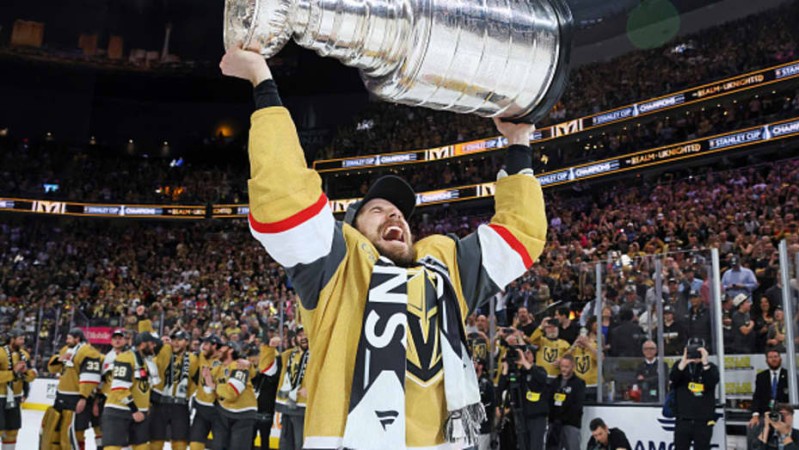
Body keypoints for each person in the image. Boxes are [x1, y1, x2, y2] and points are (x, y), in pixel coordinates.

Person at [220, 43, 547, 448]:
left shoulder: (444, 265)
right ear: (352, 227)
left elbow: (520, 234)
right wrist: (262, 81)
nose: (394, 216)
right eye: (377, 210)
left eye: (399, 214)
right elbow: (284, 198)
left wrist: (519, 143)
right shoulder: (335, 263)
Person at [41, 328, 103, 450]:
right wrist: (59, 359)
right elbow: (52, 369)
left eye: (69, 338)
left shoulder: (88, 352)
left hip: (76, 398)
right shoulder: (66, 349)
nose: (66, 340)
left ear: (77, 339)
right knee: (59, 431)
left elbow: (90, 377)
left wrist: (83, 397)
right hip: (61, 397)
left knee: (76, 433)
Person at [102, 331, 159, 450]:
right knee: (113, 447)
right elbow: (119, 388)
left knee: (143, 447)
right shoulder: (125, 358)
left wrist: (146, 406)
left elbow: (146, 387)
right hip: (118, 411)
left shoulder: (148, 361)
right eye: (151, 343)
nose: (154, 346)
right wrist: (134, 410)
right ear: (143, 344)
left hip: (140, 413)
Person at [206, 340, 257, 450]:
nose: (219, 350)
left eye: (223, 347)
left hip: (243, 414)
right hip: (224, 412)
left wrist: (213, 385)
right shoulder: (219, 368)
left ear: (231, 350)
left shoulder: (239, 366)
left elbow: (232, 393)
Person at [670, 338, 720, 450]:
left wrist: (705, 363)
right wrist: (683, 362)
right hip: (683, 419)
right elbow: (673, 379)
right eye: (692, 350)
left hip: (703, 420)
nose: (695, 354)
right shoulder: (680, 366)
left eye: (698, 350)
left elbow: (712, 382)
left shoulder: (711, 367)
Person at [498, 345, 549, 450]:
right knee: (522, 446)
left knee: (535, 447)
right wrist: (505, 368)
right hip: (520, 416)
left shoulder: (539, 370)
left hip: (536, 417)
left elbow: (542, 379)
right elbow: (500, 388)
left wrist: (524, 362)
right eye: (523, 353)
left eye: (528, 353)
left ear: (533, 356)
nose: (525, 355)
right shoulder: (517, 373)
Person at [0, 329, 37, 450]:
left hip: (15, 398)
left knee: (12, 431)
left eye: (23, 339)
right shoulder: (0, 353)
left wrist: (26, 373)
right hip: (0, 397)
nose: (23, 341)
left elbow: (30, 377)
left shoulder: (24, 355)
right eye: (20, 339)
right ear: (12, 339)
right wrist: (13, 373)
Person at [275, 328, 309, 450]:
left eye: (306, 334)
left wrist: (311, 390)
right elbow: (268, 369)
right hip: (287, 406)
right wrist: (269, 348)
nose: (303, 337)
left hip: (304, 408)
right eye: (300, 335)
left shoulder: (318, 355)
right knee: (285, 445)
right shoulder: (288, 354)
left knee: (301, 444)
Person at [748, 350, 789, 449]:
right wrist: (755, 415)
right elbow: (757, 397)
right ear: (766, 360)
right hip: (766, 413)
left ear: (780, 359)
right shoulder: (761, 376)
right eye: (770, 357)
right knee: (753, 426)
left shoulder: (789, 375)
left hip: (785, 413)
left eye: (775, 356)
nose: (773, 359)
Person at [96, 328, 128, 450]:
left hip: (125, 399)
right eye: (115, 338)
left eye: (120, 338)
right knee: (105, 431)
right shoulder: (106, 358)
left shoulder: (131, 356)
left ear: (125, 340)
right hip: (107, 399)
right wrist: (96, 400)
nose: (117, 341)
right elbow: (101, 380)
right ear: (111, 341)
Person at [189, 335, 223, 450]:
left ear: (214, 346)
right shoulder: (201, 356)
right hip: (201, 408)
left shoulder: (224, 361)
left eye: (207, 344)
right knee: (195, 444)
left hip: (219, 410)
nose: (203, 347)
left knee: (219, 446)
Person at [547, 355, 585, 450]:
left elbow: (577, 405)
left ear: (573, 366)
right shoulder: (555, 382)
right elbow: (549, 401)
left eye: (566, 366)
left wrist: (563, 418)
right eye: (562, 366)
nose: (563, 369)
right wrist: (553, 419)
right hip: (554, 424)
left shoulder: (579, 383)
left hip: (571, 424)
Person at [252, 336, 283, 450]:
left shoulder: (273, 374)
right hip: (254, 411)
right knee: (251, 439)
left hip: (266, 412)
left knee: (264, 440)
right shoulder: (258, 375)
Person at [474, 358, 495, 450]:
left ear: (480, 366)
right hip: (473, 427)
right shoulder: (470, 381)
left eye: (475, 363)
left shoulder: (486, 383)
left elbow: (490, 403)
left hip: (483, 426)